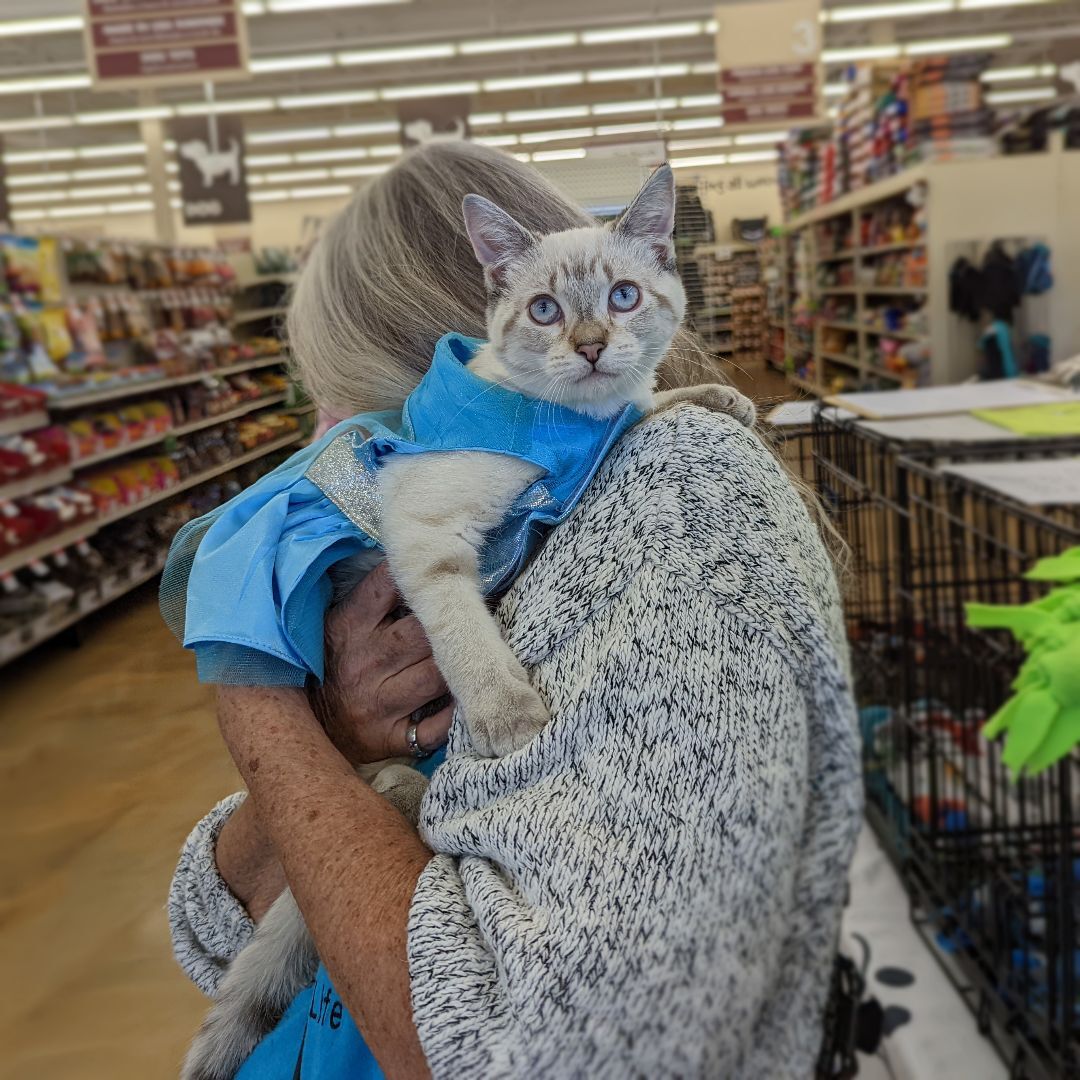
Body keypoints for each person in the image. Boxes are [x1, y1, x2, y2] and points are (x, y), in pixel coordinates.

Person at [169, 141, 862, 1079]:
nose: (326, 434)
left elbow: (549, 1050)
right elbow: (212, 928)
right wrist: (337, 743)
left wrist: (264, 713)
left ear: (392, 369)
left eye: (330, 397)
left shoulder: (682, 500)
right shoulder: (496, 518)